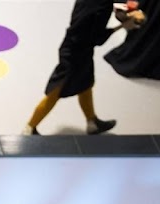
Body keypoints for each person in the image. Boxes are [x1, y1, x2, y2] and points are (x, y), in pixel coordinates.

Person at [23, 0, 142, 135]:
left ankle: (92, 122)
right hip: (76, 53)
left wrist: (116, 10)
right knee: (55, 91)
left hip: (73, 46)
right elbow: (98, 39)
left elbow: (88, 17)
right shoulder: (103, 7)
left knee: (86, 83)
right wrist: (123, 25)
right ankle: (30, 128)